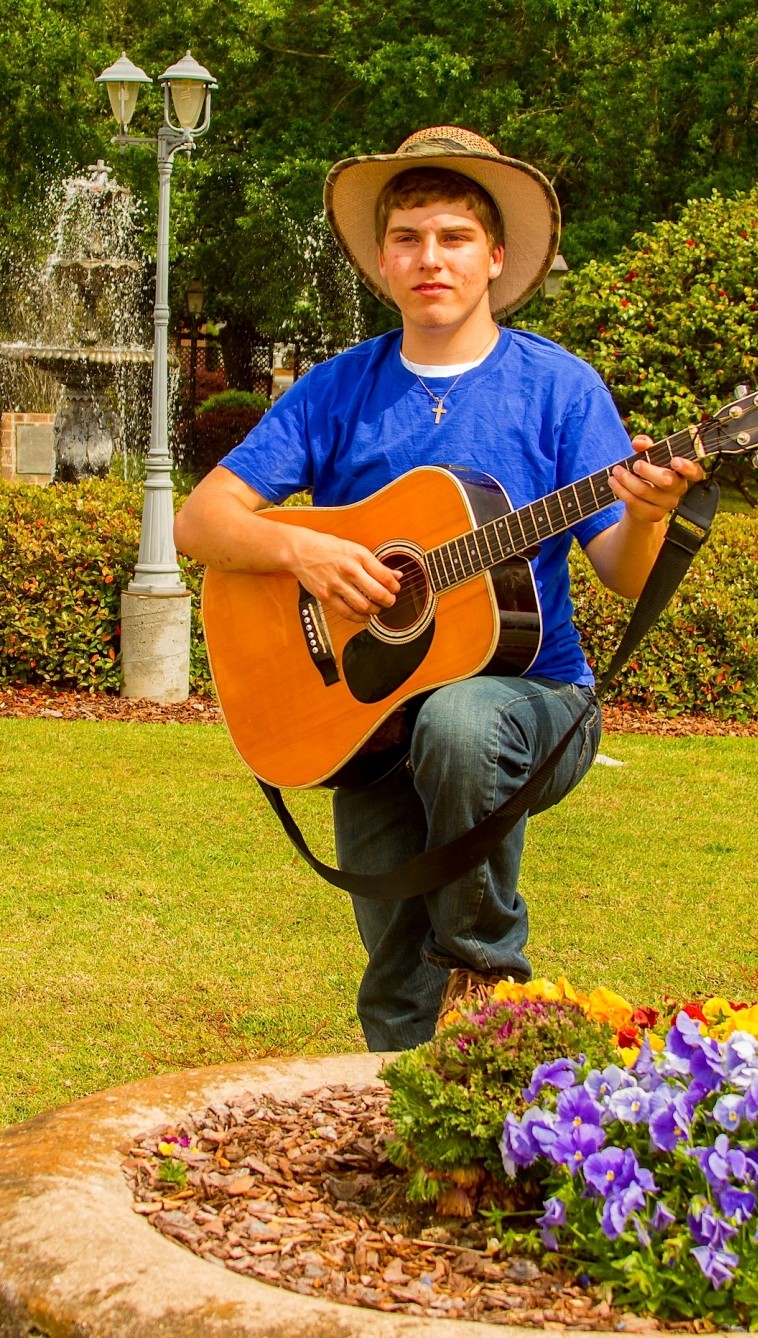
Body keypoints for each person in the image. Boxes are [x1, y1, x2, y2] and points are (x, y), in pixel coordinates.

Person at [174, 126, 704, 1052]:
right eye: (409, 237)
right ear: (382, 260)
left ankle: (487, 983)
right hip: (370, 706)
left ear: (496, 257)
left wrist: (650, 512)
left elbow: (620, 573)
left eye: (454, 237)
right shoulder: (338, 389)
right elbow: (200, 521)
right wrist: (305, 555)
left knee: (460, 723)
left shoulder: (560, 389)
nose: (431, 259)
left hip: (532, 700)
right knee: (389, 985)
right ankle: (415, 1146)